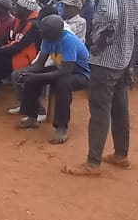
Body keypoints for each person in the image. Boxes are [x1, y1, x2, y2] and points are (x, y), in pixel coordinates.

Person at [66, 0, 138, 177]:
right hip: (123, 58)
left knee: (99, 110)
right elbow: (136, 29)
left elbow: (109, 16)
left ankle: (92, 163)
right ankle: (121, 154)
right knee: (120, 108)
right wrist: (131, 61)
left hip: (105, 60)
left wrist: (98, 42)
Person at [16, 15, 90, 144]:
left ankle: (61, 128)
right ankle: (32, 117)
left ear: (55, 32)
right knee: (30, 79)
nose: (41, 33)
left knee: (62, 84)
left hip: (79, 74)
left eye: (44, 31)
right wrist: (26, 72)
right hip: (61, 69)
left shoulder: (68, 41)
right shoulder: (48, 38)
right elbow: (39, 64)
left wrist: (36, 76)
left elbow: (65, 71)